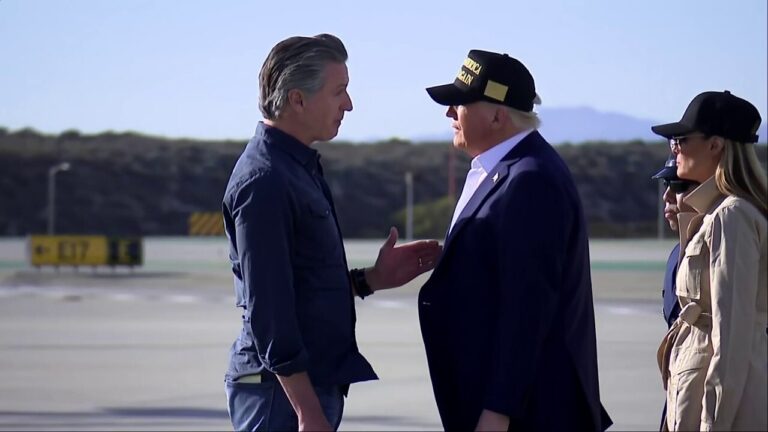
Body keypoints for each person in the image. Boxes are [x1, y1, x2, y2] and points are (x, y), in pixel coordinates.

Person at [221, 33, 442, 432]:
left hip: (297, 391)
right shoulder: (265, 181)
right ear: (298, 99)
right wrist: (308, 412)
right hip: (281, 398)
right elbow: (269, 310)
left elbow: (301, 286)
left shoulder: (294, 167)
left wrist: (368, 280)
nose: (349, 104)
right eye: (339, 91)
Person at [419, 49, 612, 431]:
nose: (448, 113)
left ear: (496, 114)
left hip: (528, 413)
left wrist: (498, 409)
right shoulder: (506, 170)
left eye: (459, 102)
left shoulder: (530, 179)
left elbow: (529, 307)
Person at [653, 90, 767, 431]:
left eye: (681, 139)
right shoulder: (713, 214)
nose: (674, 148)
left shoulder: (731, 216)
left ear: (716, 145)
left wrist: (713, 422)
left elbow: (731, 339)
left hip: (719, 407)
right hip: (697, 392)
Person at [650, 154, 699, 430]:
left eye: (679, 186)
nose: (667, 195)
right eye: (667, 185)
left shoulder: (727, 246)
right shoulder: (675, 257)